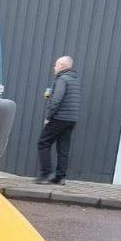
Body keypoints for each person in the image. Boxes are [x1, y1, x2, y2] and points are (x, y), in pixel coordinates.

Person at [35, 56, 81, 185]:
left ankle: (45, 175)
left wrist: (48, 117)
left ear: (62, 66)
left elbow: (57, 100)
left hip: (59, 117)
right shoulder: (74, 79)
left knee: (43, 143)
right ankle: (60, 177)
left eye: (55, 65)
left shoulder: (62, 79)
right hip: (71, 119)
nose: (54, 68)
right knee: (63, 148)